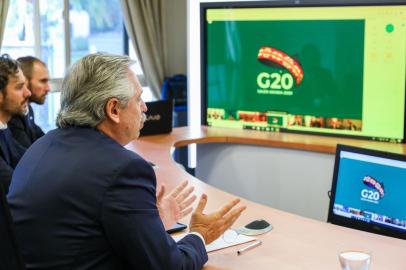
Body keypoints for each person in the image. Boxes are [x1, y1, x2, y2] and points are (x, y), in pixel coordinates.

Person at [8, 53, 246, 269]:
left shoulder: (42, 146)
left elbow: (79, 231)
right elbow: (169, 266)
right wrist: (200, 235)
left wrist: (149, 223)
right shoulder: (124, 169)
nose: (144, 107)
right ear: (113, 109)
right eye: (138, 98)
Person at [0, 54, 31, 193]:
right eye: (19, 87)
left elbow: (28, 160)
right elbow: (15, 187)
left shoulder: (4, 129)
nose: (28, 93)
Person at [8, 56, 50, 148]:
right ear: (24, 81)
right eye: (43, 81)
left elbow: (40, 136)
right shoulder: (11, 116)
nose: (48, 88)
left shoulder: (28, 109)